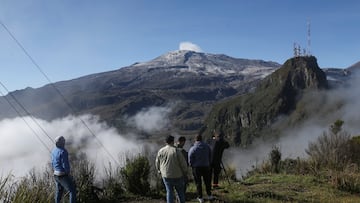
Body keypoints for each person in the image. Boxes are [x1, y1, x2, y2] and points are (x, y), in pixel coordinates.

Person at [155, 135, 188, 203]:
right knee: (180, 192)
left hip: (166, 175)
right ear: (173, 141)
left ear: (166, 142)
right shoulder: (176, 151)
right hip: (177, 175)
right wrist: (185, 172)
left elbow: (157, 162)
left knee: (169, 191)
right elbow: (183, 164)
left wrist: (159, 171)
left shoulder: (161, 151)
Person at [51, 135, 77, 203]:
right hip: (62, 175)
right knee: (72, 191)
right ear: (62, 143)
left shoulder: (53, 151)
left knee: (59, 192)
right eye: (63, 141)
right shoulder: (63, 151)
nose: (64, 143)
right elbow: (65, 164)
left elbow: (52, 163)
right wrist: (68, 173)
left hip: (55, 174)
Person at [188, 134, 213, 203]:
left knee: (198, 183)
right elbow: (210, 155)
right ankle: (209, 195)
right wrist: (209, 163)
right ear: (202, 139)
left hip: (196, 168)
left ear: (195, 139)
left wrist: (191, 165)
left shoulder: (193, 148)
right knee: (207, 181)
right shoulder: (207, 146)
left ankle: (200, 197)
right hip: (206, 166)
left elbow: (190, 158)